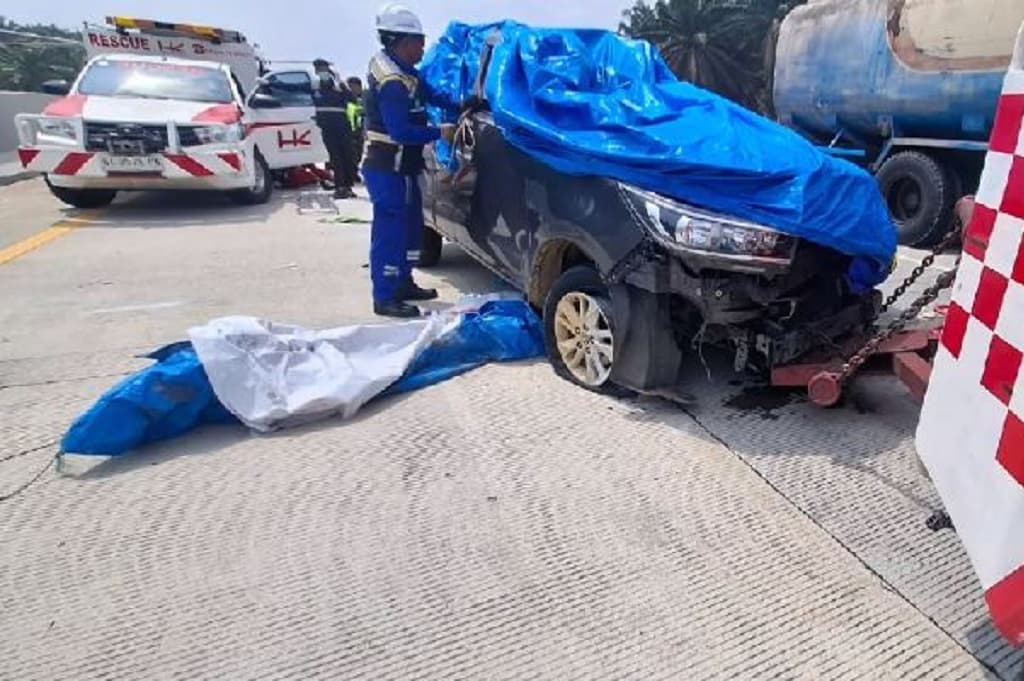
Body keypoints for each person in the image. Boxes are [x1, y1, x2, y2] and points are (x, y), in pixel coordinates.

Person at [363, 4, 455, 318]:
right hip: (389, 167)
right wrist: (440, 132)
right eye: (420, 41)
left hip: (404, 168)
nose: (423, 47)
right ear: (403, 42)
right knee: (390, 232)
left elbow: (429, 93)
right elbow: (400, 132)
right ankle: (385, 296)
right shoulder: (391, 81)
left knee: (412, 226)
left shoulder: (402, 69)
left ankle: (403, 281)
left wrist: (462, 103)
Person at [312, 58, 358, 200]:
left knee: (348, 156)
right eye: (318, 70)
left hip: (343, 127)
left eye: (323, 69)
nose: (321, 72)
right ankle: (340, 187)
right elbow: (293, 89)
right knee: (335, 158)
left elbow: (353, 100)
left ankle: (348, 186)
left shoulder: (338, 86)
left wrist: (343, 86)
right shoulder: (314, 88)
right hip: (327, 129)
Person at [346, 77, 366, 173]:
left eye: (352, 87)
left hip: (363, 130)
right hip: (351, 130)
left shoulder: (365, 97)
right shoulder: (347, 99)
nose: (351, 90)